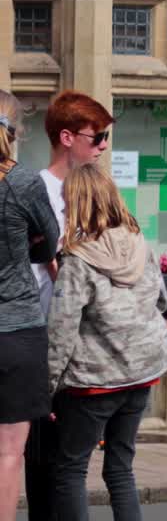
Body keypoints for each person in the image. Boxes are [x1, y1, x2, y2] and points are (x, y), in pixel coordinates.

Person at [46, 164, 167, 521]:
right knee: (121, 467)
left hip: (95, 381)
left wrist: (48, 387)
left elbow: (61, 331)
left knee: (70, 469)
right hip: (143, 371)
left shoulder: (77, 258)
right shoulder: (139, 242)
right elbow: (161, 300)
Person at [26, 89, 114, 521]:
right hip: (42, 334)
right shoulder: (35, 191)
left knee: (69, 463)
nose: (102, 147)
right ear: (66, 137)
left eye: (105, 139)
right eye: (96, 137)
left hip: (83, 343)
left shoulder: (96, 192)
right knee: (42, 455)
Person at [0, 91, 61, 521]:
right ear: (14, 130)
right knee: (8, 453)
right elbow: (51, 241)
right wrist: (30, 248)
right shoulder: (22, 182)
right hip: (17, 330)